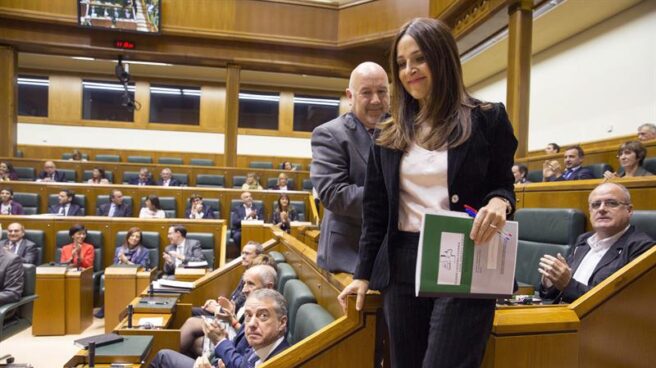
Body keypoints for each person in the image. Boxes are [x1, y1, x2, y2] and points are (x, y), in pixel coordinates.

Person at [338, 18, 517, 368]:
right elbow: (376, 212)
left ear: (442, 58)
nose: (409, 71)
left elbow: (503, 185)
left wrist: (499, 202)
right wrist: (361, 274)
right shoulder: (388, 133)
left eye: (419, 59)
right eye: (402, 64)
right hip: (402, 261)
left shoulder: (487, 119)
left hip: (465, 253)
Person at [311, 61, 390, 274]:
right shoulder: (329, 134)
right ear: (350, 95)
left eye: (382, 91)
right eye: (366, 92)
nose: (376, 100)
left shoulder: (403, 131)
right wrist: (393, 198)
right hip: (348, 255)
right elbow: (334, 194)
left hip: (393, 256)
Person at [538, 183, 654, 303]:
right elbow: (552, 294)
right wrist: (551, 280)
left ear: (629, 210)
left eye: (611, 203)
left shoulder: (642, 248)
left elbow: (620, 303)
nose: (602, 209)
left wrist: (568, 284)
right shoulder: (583, 240)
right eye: (596, 205)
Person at [149, 267, 283, 368]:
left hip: (227, 354)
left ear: (282, 323)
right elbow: (244, 355)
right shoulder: (263, 340)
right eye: (248, 316)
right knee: (192, 340)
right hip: (226, 358)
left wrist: (221, 340)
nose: (252, 323)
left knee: (163, 356)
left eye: (263, 316)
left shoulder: (279, 354)